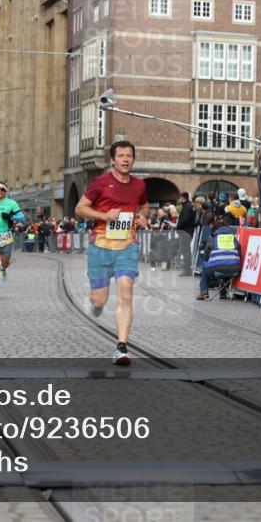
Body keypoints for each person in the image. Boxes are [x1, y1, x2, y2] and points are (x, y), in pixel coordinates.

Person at [75, 141, 150, 366]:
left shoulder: (139, 185)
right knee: (100, 298)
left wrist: (144, 216)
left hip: (127, 246)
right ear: (113, 160)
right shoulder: (100, 183)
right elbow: (79, 209)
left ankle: (121, 348)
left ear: (133, 160)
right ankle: (96, 305)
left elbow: (145, 206)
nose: (126, 159)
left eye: (129, 156)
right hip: (100, 246)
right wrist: (105, 215)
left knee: (126, 293)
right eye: (121, 156)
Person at [196, 214, 243, 301]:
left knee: (205, 267)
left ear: (215, 229)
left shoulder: (212, 239)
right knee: (227, 264)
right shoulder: (233, 239)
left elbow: (206, 258)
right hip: (235, 270)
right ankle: (223, 293)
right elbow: (240, 255)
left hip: (217, 269)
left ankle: (204, 291)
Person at [175, 192, 197, 276]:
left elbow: (185, 219)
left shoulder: (187, 207)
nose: (178, 200)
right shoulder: (189, 206)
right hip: (188, 231)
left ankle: (187, 270)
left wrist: (178, 227)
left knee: (185, 251)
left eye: (179, 198)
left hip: (185, 231)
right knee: (186, 251)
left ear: (182, 198)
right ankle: (187, 270)